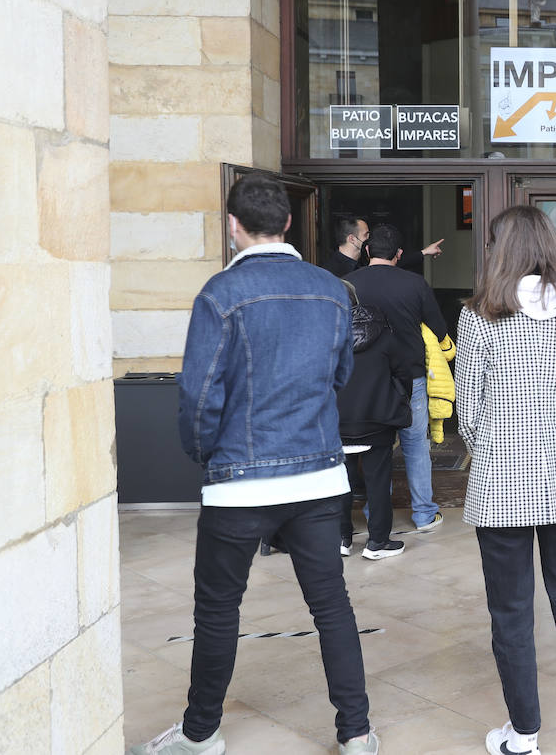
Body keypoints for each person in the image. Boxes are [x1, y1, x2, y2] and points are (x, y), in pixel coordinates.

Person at [130, 174, 378, 755]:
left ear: (233, 226)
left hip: (239, 480)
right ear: (288, 223)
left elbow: (199, 397)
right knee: (332, 608)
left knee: (218, 612)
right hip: (318, 474)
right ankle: (357, 733)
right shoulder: (331, 291)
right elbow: (340, 376)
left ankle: (199, 735)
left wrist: (206, 454)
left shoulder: (220, 294)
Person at [456, 206, 556, 755]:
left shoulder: (480, 318)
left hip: (502, 487)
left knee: (511, 614)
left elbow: (468, 415)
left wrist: (498, 453)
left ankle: (523, 735)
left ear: (500, 253)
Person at [346, 224, 448, 532]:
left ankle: (376, 517)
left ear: (366, 251)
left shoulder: (348, 283)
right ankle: (424, 514)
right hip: (412, 377)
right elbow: (439, 330)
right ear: (400, 254)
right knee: (416, 444)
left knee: (376, 449)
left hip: (364, 382)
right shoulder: (415, 284)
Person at [336, 288, 410, 561]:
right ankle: (377, 542)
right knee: (379, 483)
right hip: (378, 420)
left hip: (337, 422)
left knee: (339, 484)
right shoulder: (385, 336)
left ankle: (341, 539)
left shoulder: (324, 338)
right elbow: (405, 374)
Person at [323, 215, 444, 279]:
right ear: (351, 239)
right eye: (367, 235)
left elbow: (391, 263)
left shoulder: (363, 261)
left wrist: (424, 252)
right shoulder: (330, 271)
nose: (370, 239)